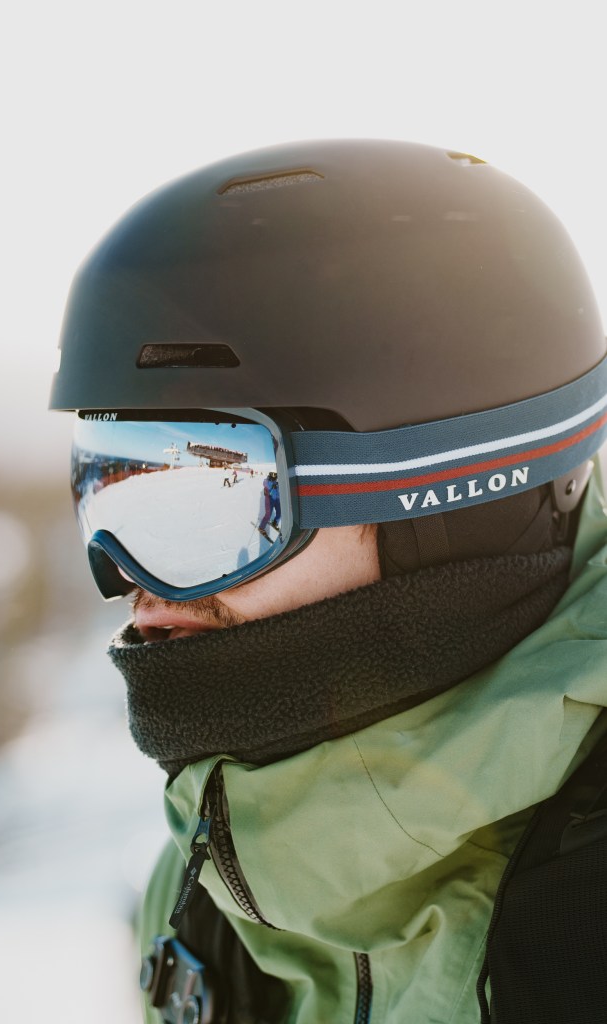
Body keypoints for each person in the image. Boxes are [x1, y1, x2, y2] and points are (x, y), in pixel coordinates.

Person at [50, 140, 607, 1023]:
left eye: (209, 502)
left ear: (455, 505)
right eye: (107, 487)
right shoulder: (209, 893)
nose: (128, 580)